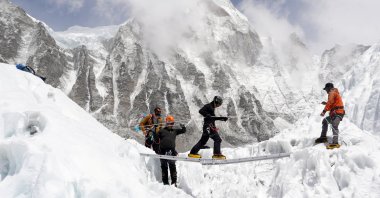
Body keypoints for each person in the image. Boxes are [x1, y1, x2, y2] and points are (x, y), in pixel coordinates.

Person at [158, 115, 186, 186]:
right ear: (167, 123)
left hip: (172, 151)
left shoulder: (175, 131)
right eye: (169, 123)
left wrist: (183, 126)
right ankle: (165, 183)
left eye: (172, 123)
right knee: (164, 167)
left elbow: (183, 131)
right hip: (163, 151)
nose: (171, 125)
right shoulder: (161, 131)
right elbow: (155, 138)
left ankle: (174, 182)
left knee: (172, 166)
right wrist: (154, 131)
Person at [315, 83, 345, 149]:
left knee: (334, 125)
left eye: (326, 89)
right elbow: (332, 104)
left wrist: (324, 111)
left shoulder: (332, 92)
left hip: (338, 113)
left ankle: (335, 143)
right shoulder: (334, 93)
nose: (326, 91)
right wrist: (326, 103)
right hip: (335, 113)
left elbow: (330, 102)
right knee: (325, 121)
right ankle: (323, 137)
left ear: (329, 88)